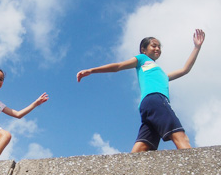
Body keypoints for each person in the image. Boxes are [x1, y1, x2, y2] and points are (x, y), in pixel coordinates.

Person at [77, 29, 205, 152]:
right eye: (154, 46)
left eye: (159, 47)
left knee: (142, 147)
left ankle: (125, 173)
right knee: (181, 137)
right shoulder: (143, 60)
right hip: (156, 100)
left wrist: (196, 47)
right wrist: (92, 70)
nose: (157, 49)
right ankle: (197, 171)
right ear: (143, 50)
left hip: (147, 107)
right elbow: (119, 66)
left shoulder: (162, 75)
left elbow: (185, 70)